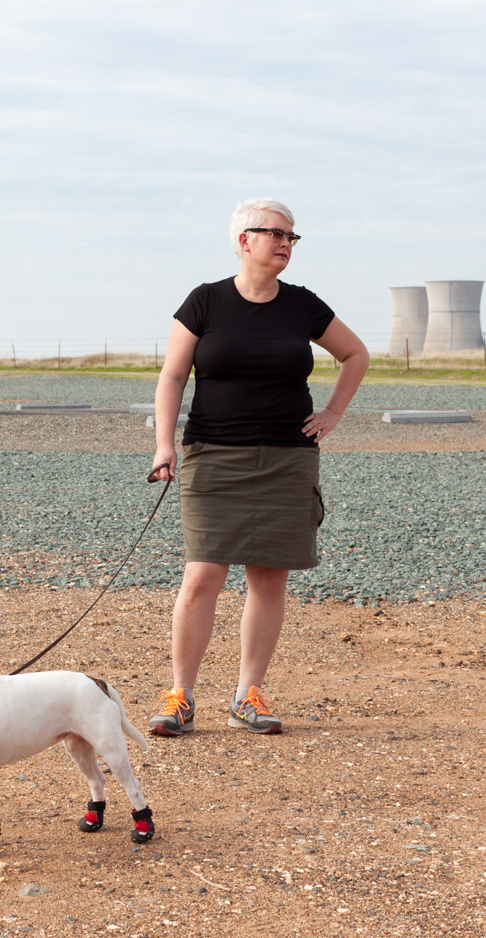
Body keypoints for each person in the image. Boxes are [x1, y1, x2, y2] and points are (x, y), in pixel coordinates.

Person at [148, 198, 370, 736]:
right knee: (202, 576)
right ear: (243, 240)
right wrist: (164, 445)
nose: (285, 244)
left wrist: (334, 412)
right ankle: (181, 695)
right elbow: (173, 377)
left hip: (287, 460)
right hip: (213, 456)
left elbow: (356, 354)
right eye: (274, 233)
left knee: (269, 578)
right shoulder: (205, 301)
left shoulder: (303, 305)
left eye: (292, 236)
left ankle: (248, 694)